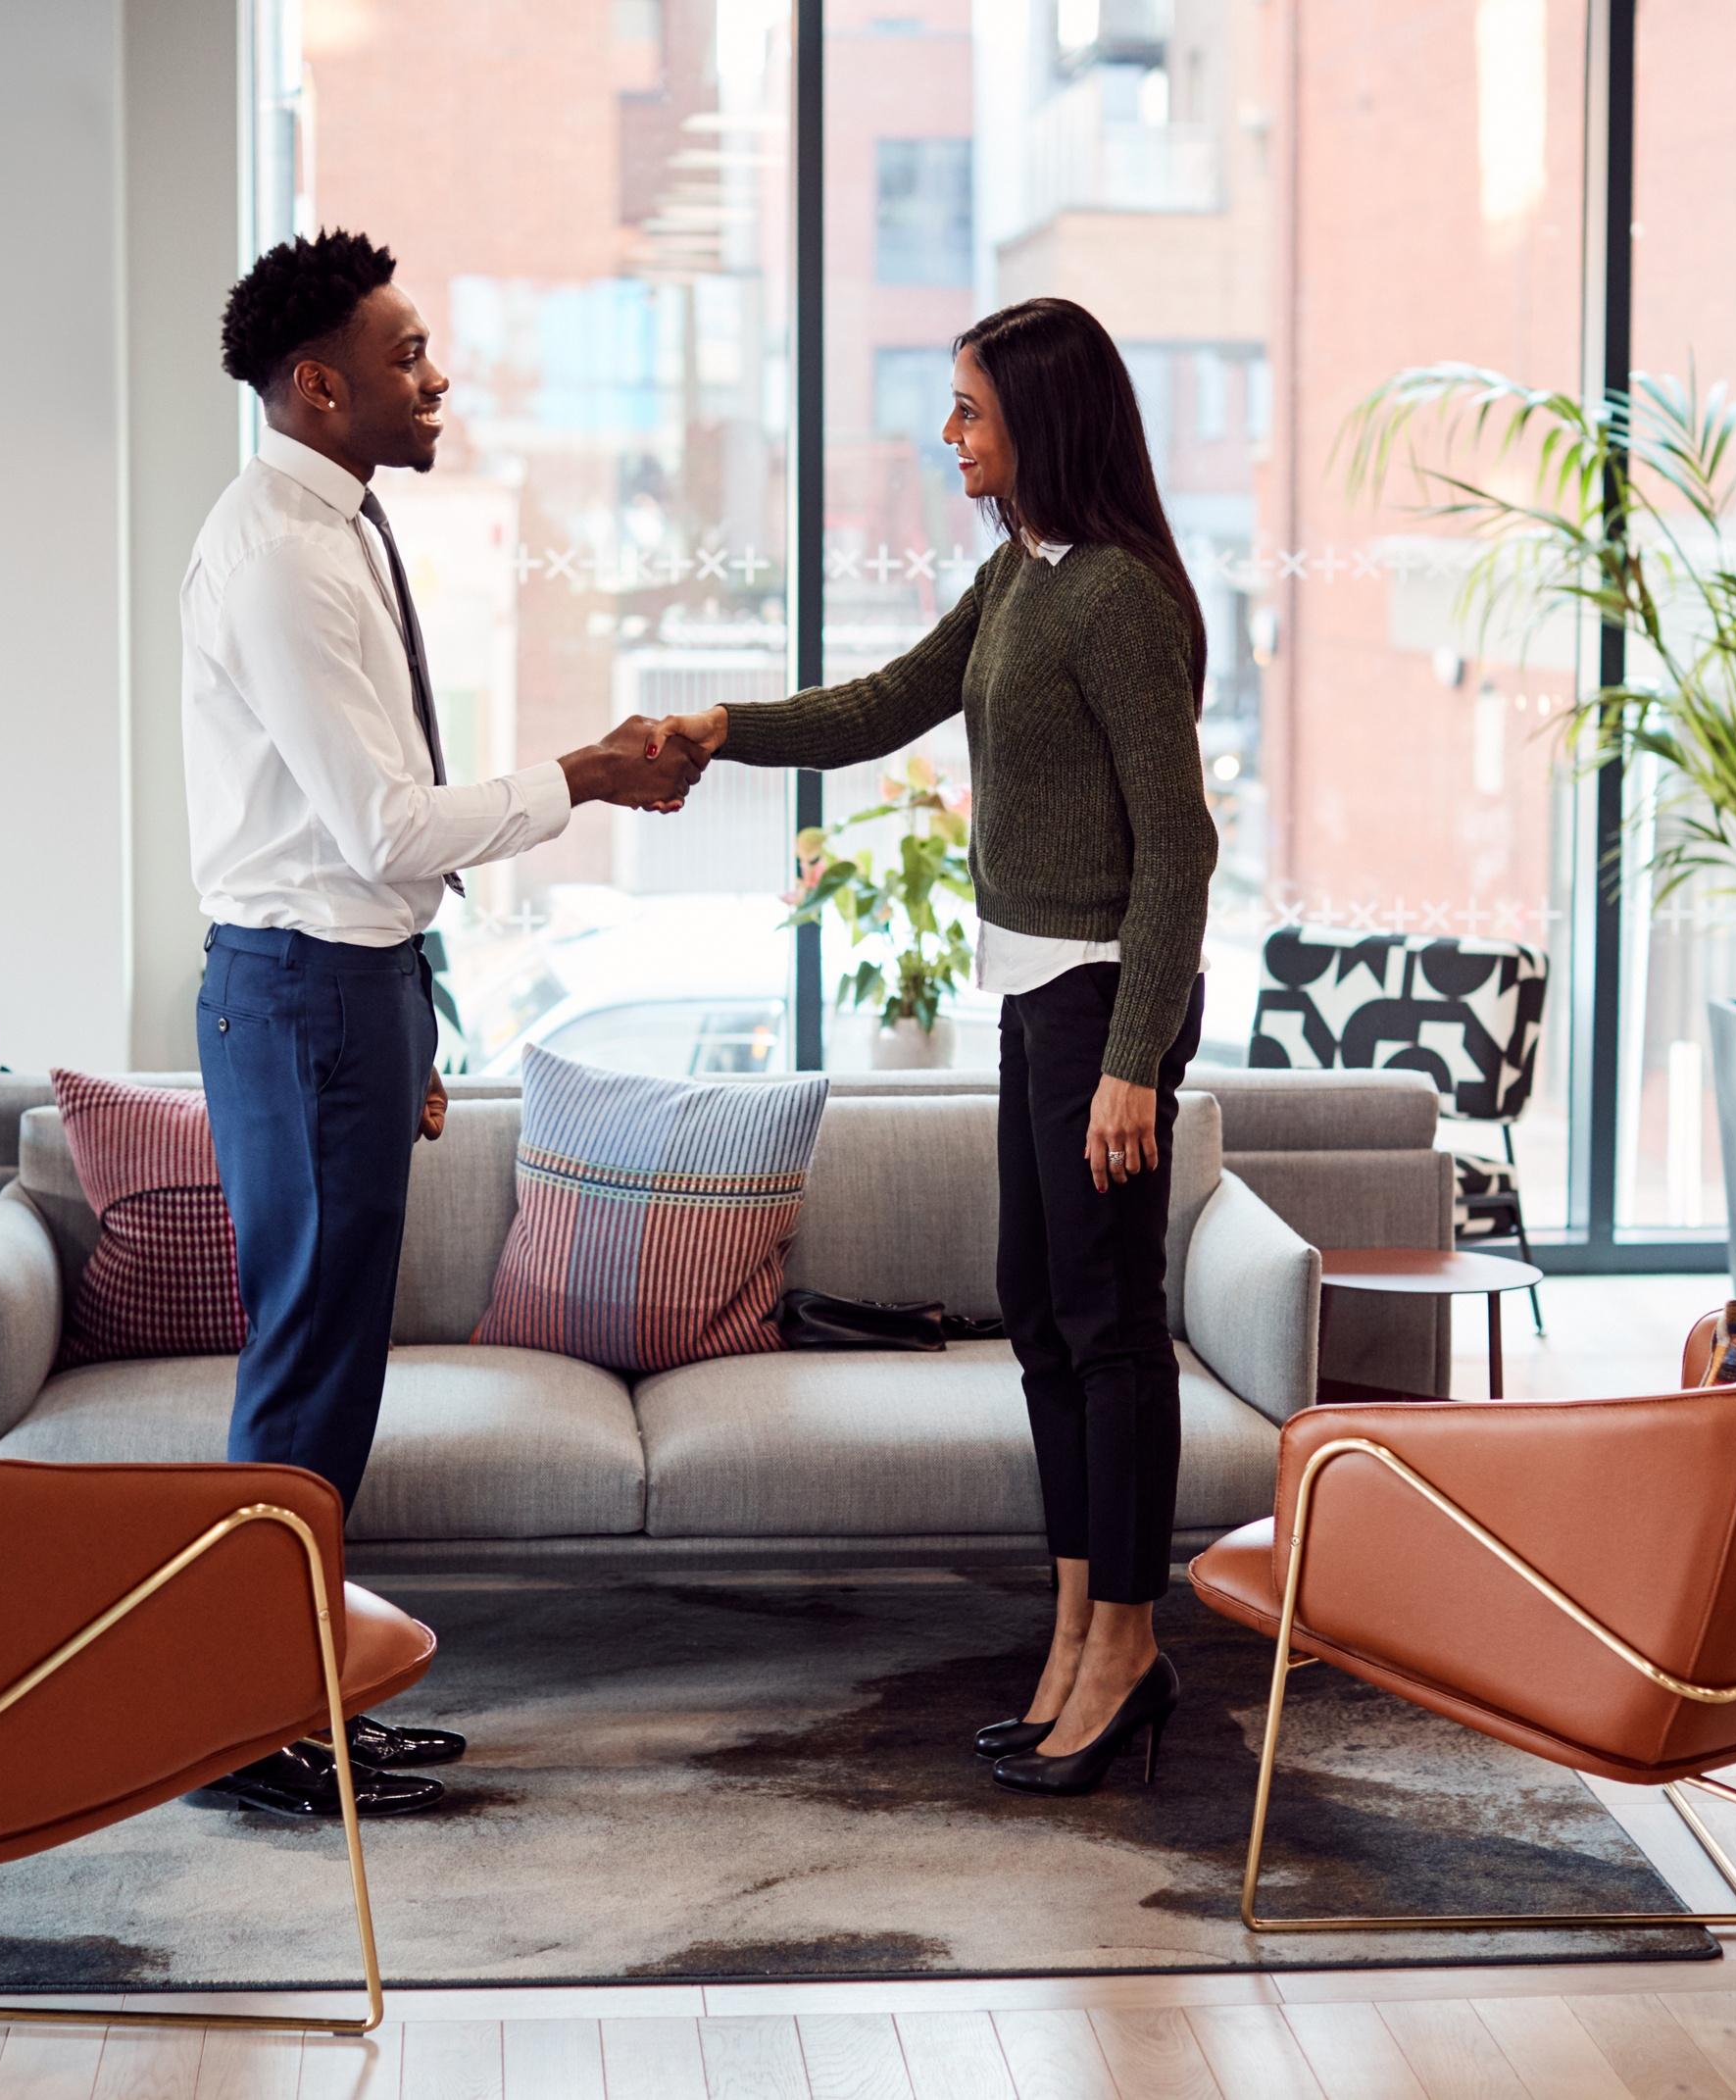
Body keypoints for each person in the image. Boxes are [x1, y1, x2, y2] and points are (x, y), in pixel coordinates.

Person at [650, 296, 1218, 1797]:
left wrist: (1131, 1063)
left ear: (1042, 420)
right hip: (1041, 1002)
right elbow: (883, 705)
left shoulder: (1115, 599)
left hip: (1106, 1005)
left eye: (968, 408)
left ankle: (1127, 1647)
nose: (947, 433)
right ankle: (1073, 1626)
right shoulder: (1018, 578)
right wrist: (720, 727)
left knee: (1106, 1329)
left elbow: (1179, 850)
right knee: (1038, 1313)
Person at [182, 229, 704, 1823]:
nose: (438, 378)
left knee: (328, 1377)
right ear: (319, 384)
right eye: (407, 356)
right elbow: (382, 827)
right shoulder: (277, 550)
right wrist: (588, 777)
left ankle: (294, 1699)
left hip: (346, 997)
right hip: (301, 993)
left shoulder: (335, 524)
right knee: (306, 1369)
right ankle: (249, 1723)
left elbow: (371, 853)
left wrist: (411, 1019)